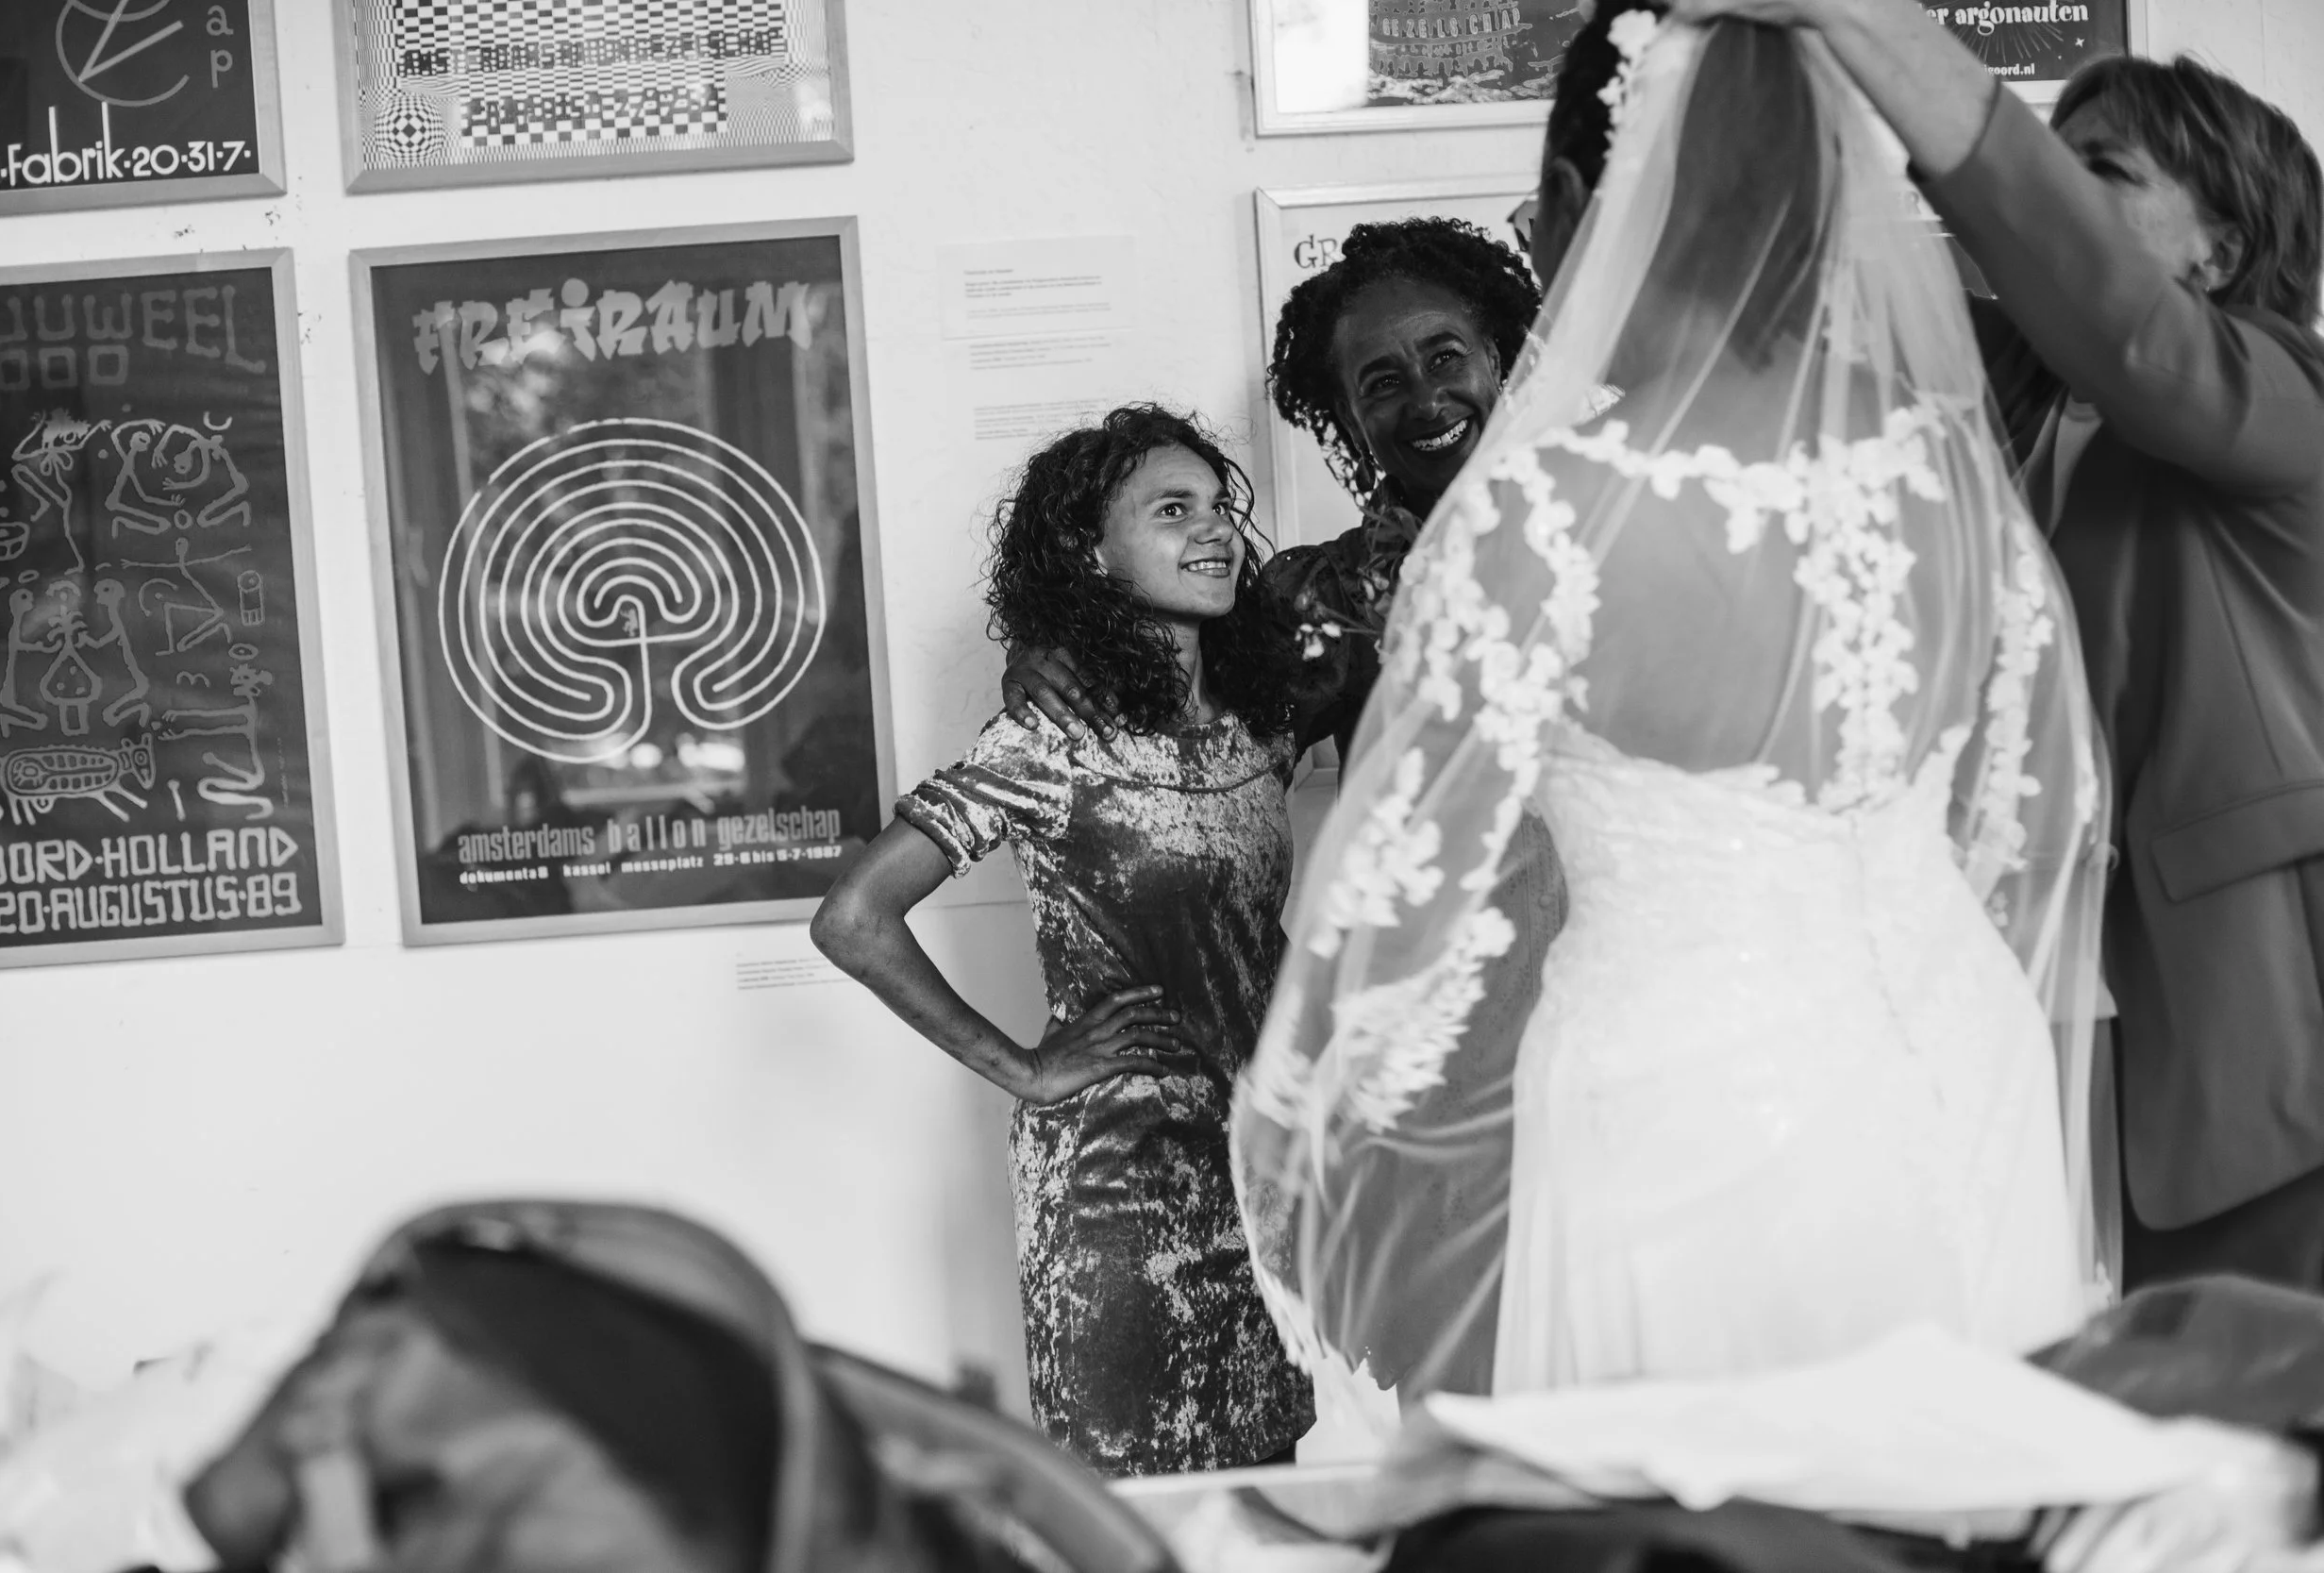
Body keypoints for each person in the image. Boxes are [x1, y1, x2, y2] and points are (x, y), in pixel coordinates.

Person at [1231, 1, 2112, 1412]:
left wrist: (1294, 1132)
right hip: (1964, 1057)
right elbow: (2022, 821)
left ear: (1578, 203)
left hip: (1685, 1093)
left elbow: (1400, 910)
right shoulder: (1949, 477)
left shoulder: (1539, 513)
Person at [1676, 0, 2324, 1297]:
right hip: (2073, 1027)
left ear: (2220, 247)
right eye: (2059, 164)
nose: (2064, 206)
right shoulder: (2024, 430)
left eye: (2107, 176)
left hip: (2275, 1027)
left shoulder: (2285, 401)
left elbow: (2117, 320)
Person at [811, 406, 1314, 1477]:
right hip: (1118, 1196)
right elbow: (852, 917)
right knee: (1131, 1508)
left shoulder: (1261, 721)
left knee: (1263, 1491)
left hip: (1262, 1178)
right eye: (1170, 510)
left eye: (1219, 505)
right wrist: (1028, 1070)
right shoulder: (1047, 737)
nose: (1213, 529)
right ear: (1090, 553)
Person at [1001, 220, 1544, 769]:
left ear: (1495, 360)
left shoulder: (1617, 514)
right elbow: (1181, 719)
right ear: (1350, 422)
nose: (1427, 402)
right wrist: (1046, 648)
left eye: (1446, 356)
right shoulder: (1325, 600)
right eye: (1383, 383)